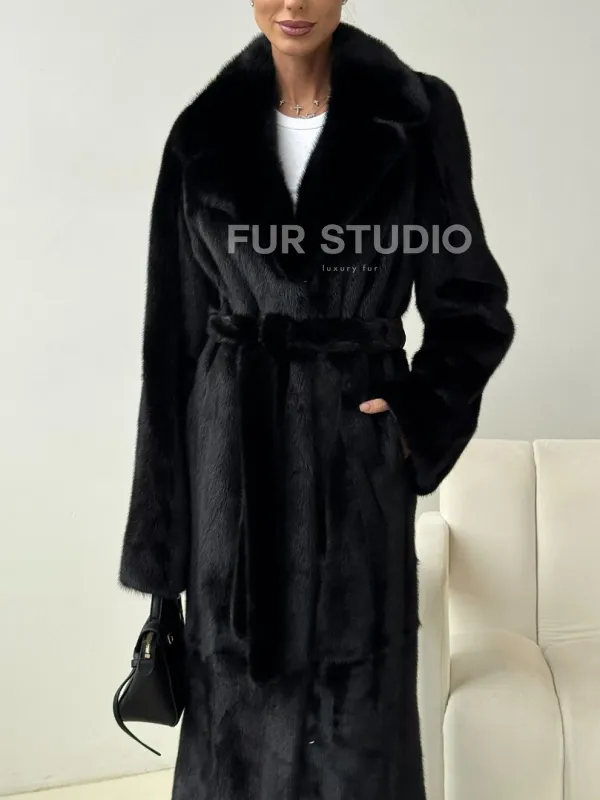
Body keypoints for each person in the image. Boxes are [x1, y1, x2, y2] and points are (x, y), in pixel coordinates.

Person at [118, 3, 515, 799]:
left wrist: (414, 422)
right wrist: (164, 549)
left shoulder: (416, 114)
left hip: (354, 478)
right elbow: (170, 351)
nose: (293, 3)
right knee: (236, 738)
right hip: (232, 477)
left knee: (357, 736)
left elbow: (471, 307)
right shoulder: (200, 135)